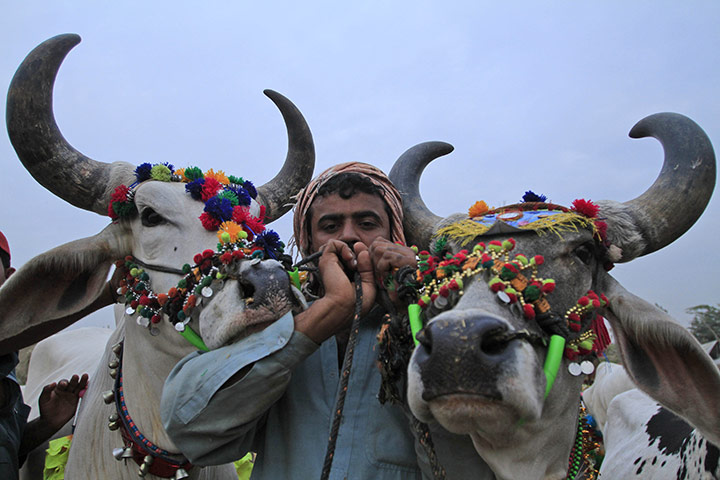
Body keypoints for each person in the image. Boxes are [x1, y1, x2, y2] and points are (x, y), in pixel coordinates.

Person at [161, 163, 495, 479]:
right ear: (308, 242)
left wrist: (409, 319)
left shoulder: (436, 326)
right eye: (330, 226)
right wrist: (321, 318)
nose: (349, 236)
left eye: (367, 224)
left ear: (394, 236)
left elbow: (468, 468)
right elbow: (187, 428)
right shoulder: (269, 318)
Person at [0, 231, 89, 480]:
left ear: (9, 279)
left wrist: (46, 425)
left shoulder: (8, 360)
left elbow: (9, 448)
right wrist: (105, 295)